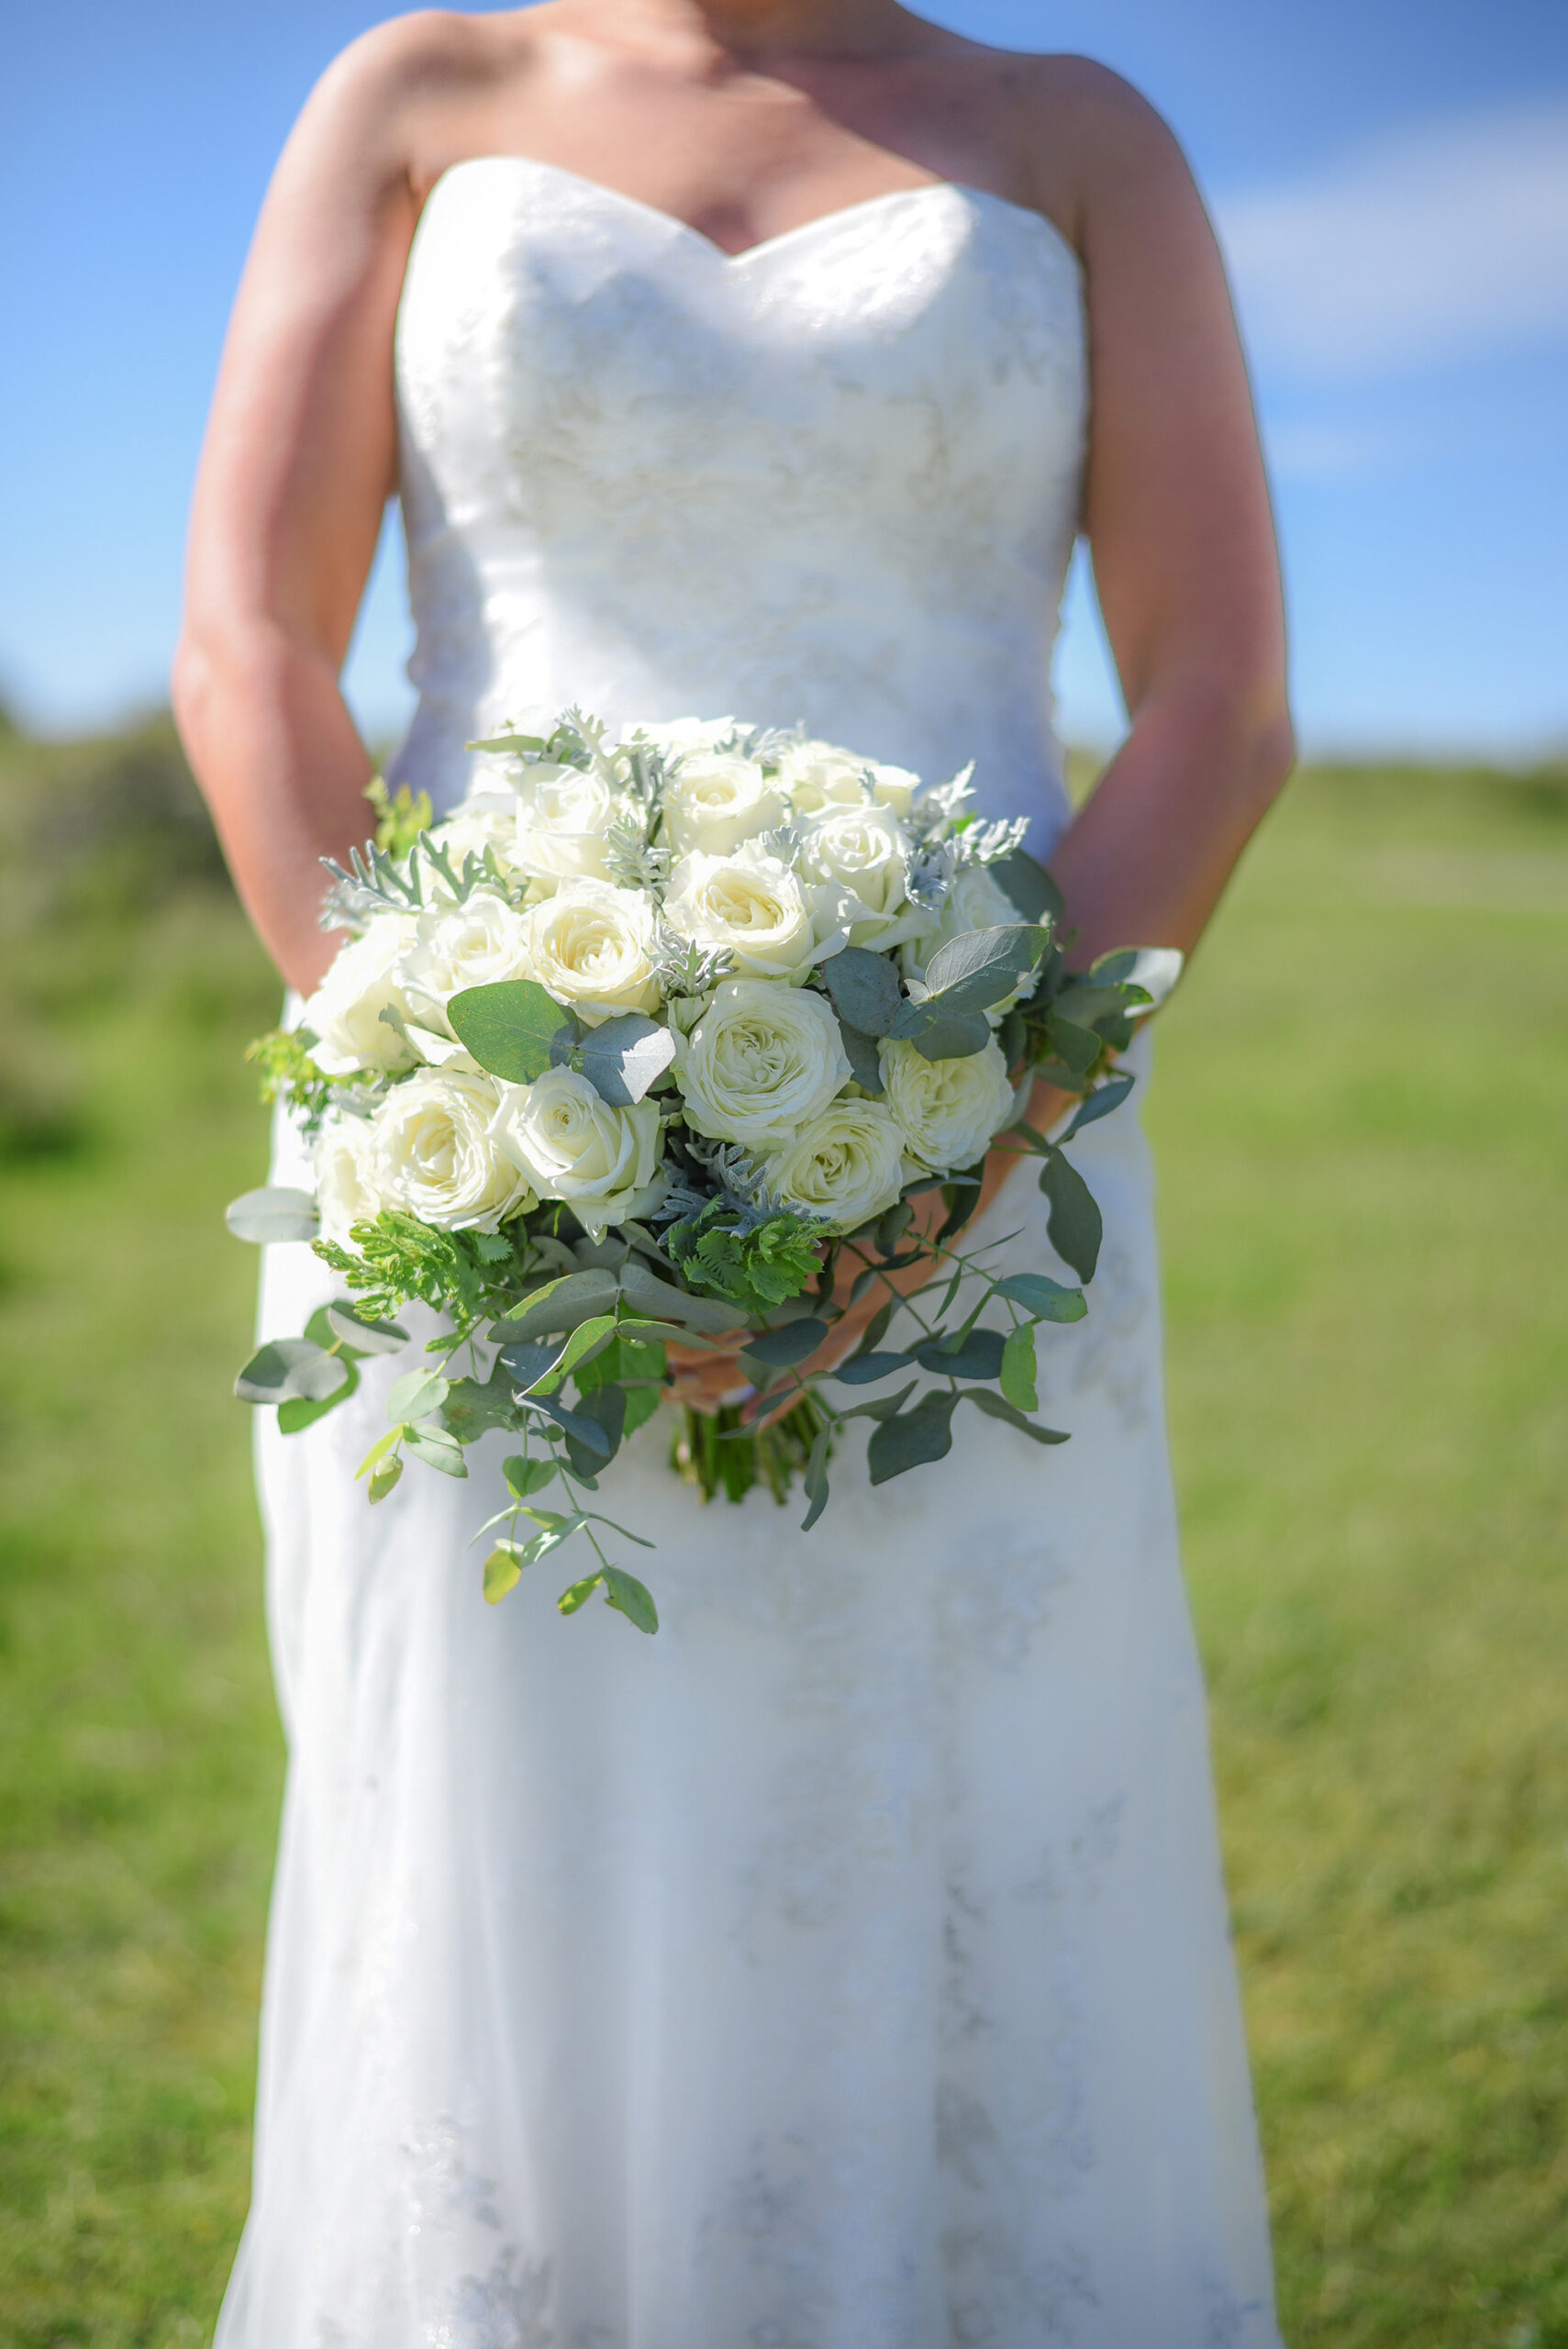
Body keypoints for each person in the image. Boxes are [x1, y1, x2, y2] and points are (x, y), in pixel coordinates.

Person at [175, 4, 1295, 2341]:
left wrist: (960, 1145)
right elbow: (250, 637)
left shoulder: (1077, 136)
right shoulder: (417, 94)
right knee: (511, 1840)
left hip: (989, 1143)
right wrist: (431, 1101)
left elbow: (1216, 693)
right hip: (470, 1144)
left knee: (956, 1807)